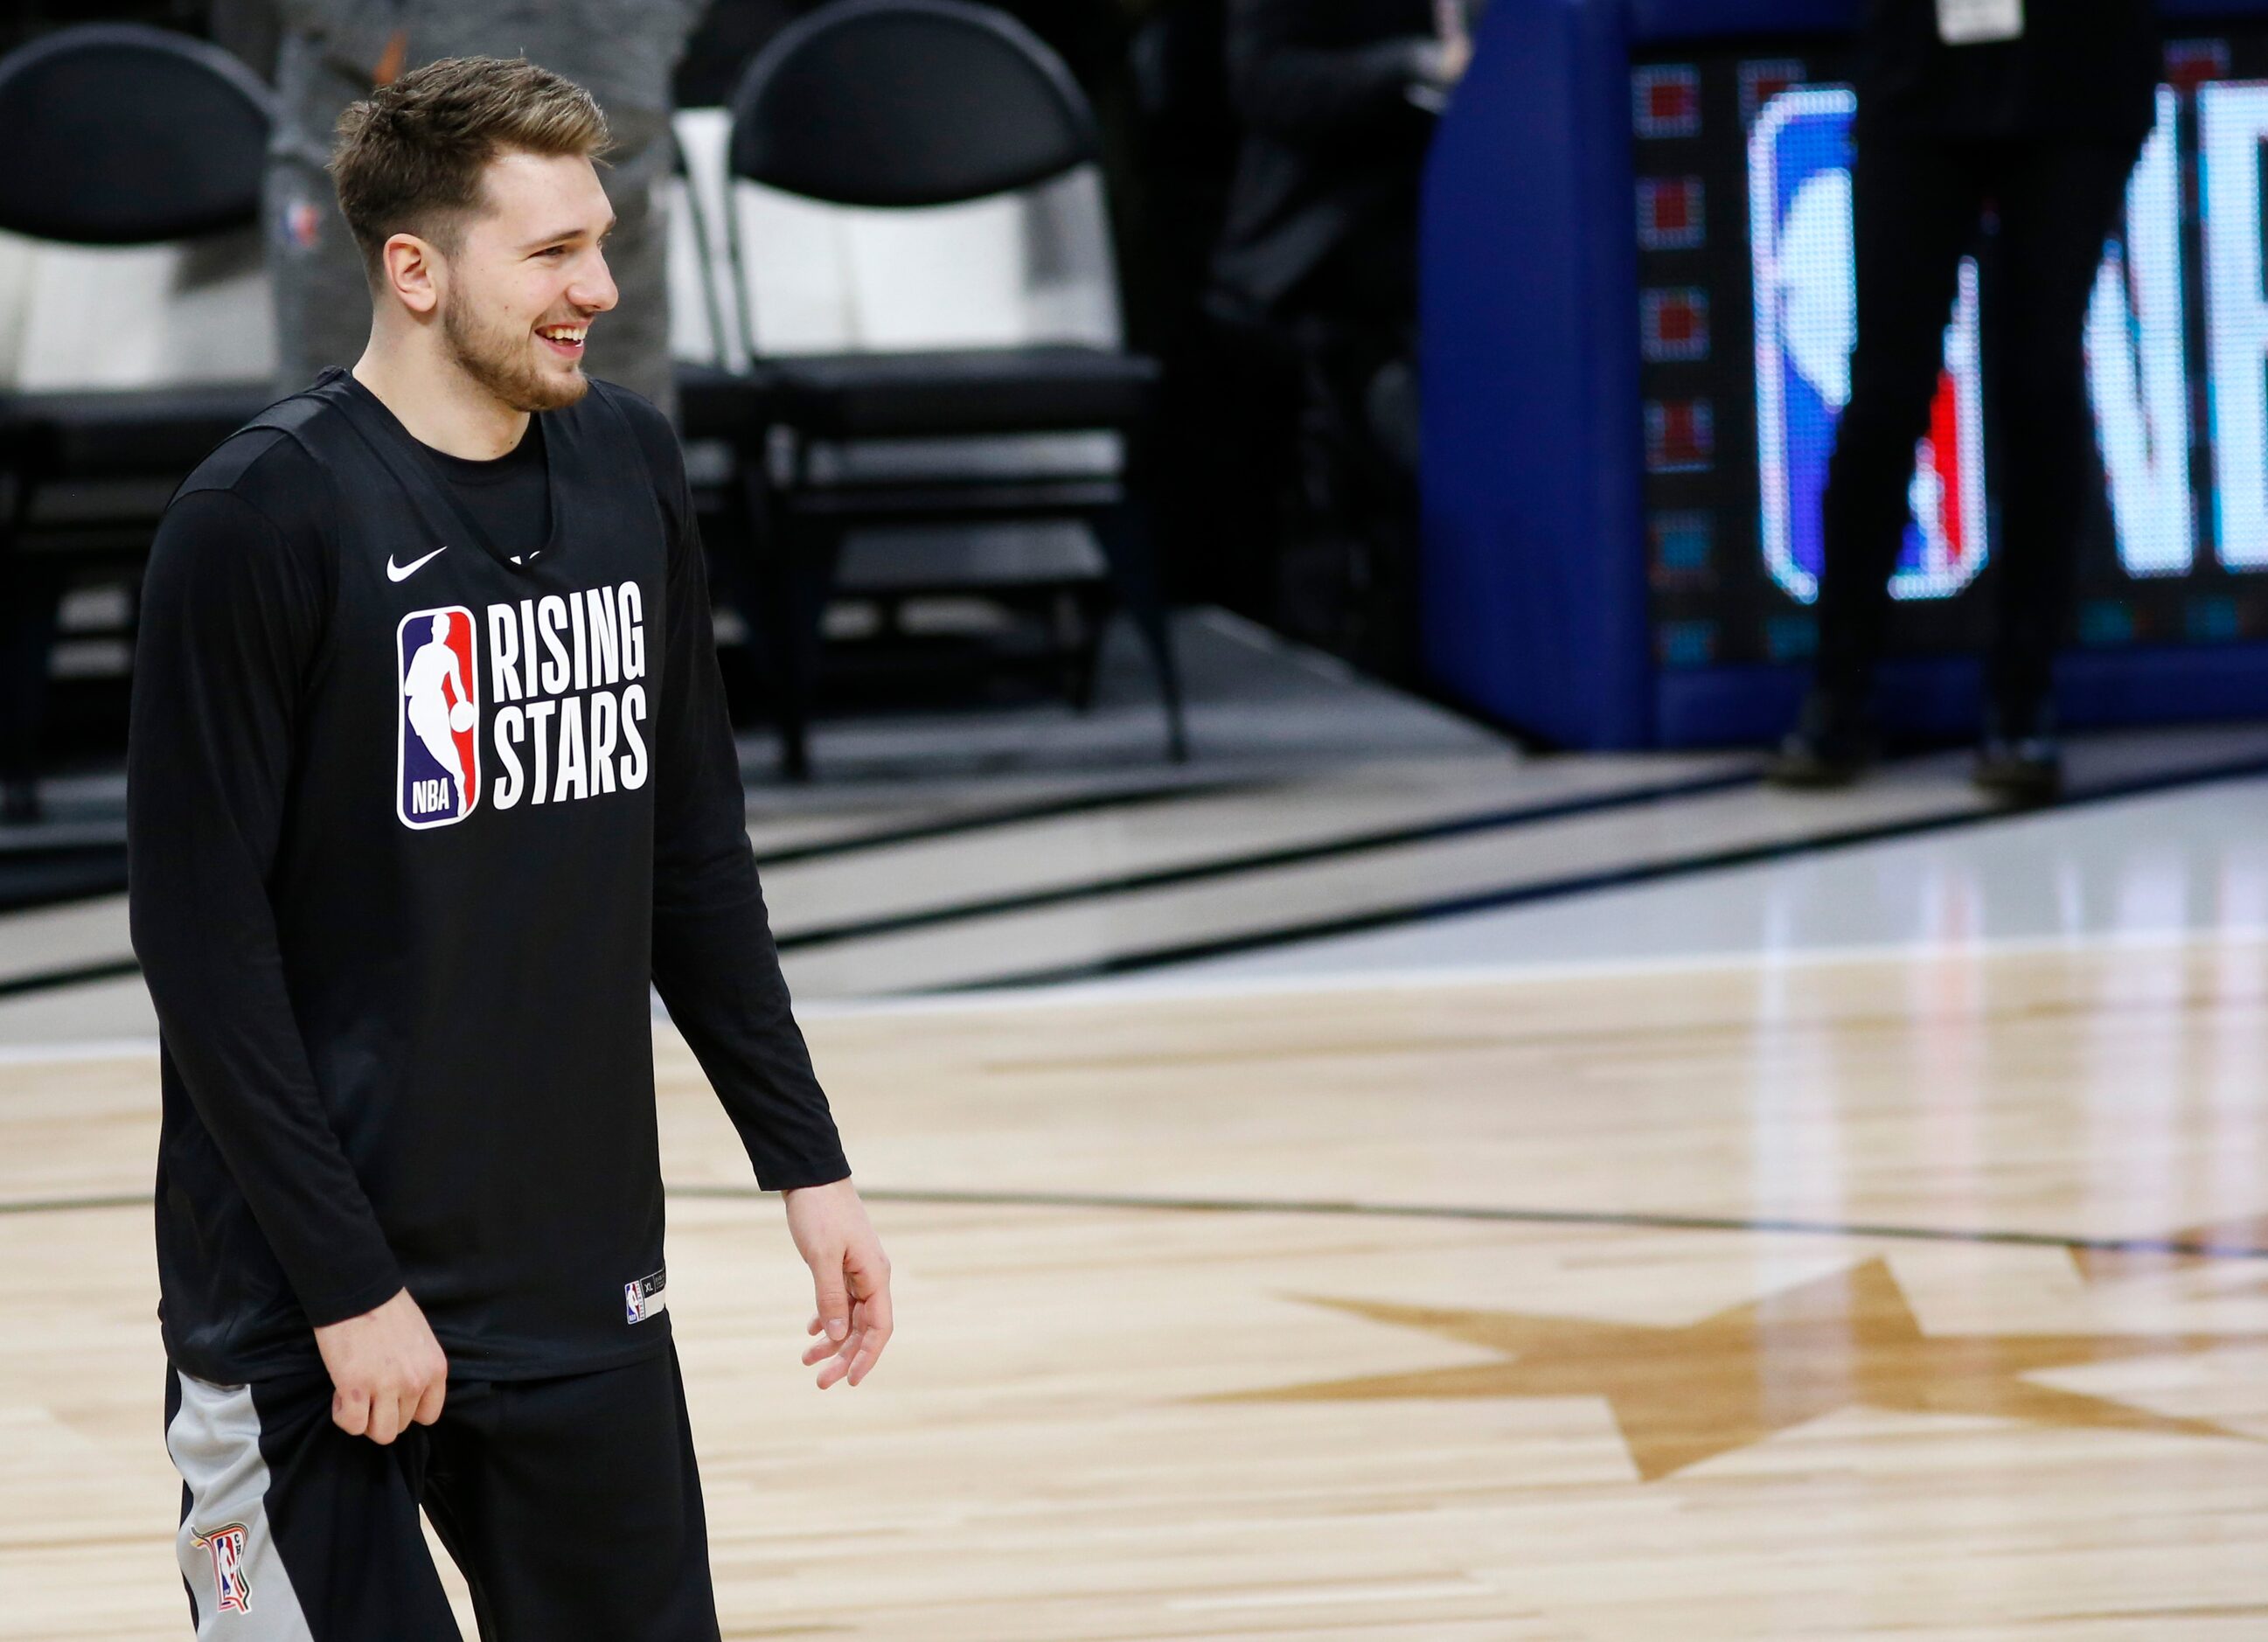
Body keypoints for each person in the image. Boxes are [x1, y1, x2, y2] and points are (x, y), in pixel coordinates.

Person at [128, 57, 891, 1639]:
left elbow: (692, 849)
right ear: (413, 269)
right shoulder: (257, 518)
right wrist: (346, 1288)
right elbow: (204, 953)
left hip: (575, 1274)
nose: (598, 289)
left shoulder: (628, 466)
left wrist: (803, 1158)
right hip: (304, 1311)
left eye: (599, 243)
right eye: (550, 255)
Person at [1768, 0, 2159, 803]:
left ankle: (2022, 693)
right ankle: (1838, 687)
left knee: (2041, 378)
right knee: (1886, 384)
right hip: (1921, 68)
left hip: (2075, 73)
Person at [266, 0, 699, 410]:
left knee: (615, 419)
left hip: (611, 115)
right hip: (383, 124)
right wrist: (376, 38)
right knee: (349, 415)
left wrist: (645, 34)